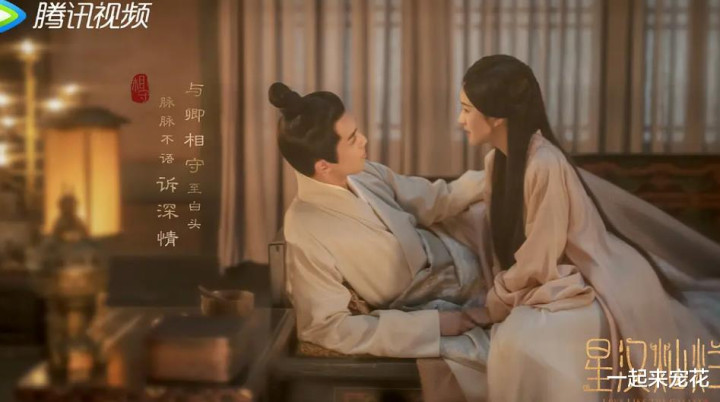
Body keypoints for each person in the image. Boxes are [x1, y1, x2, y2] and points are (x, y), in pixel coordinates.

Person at [457, 54, 720, 401]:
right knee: (520, 337)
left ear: (496, 116)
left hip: (604, 275)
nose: (460, 120)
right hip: (554, 276)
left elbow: (540, 257)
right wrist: (502, 294)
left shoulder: (545, 163)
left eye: (466, 109)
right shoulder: (497, 161)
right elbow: (507, 245)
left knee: (524, 340)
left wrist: (495, 302)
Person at [269, 82, 491, 401]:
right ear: (323, 166)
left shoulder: (364, 174)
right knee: (521, 348)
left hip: (459, 253)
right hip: (430, 302)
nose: (364, 140)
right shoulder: (305, 227)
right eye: (352, 138)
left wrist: (498, 171)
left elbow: (434, 199)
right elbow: (325, 328)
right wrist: (436, 325)